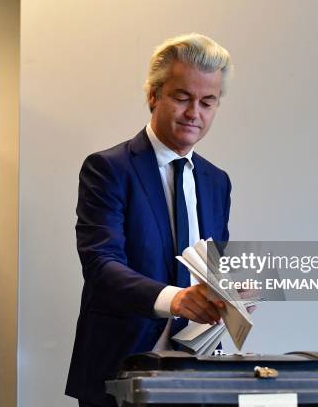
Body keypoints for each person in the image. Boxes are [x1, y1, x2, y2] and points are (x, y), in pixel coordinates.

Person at [66, 33, 233, 407]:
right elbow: (101, 265)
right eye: (182, 97)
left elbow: (212, 265)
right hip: (122, 369)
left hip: (199, 370)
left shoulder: (216, 181)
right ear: (154, 95)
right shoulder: (108, 169)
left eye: (208, 102)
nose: (195, 113)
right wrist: (177, 300)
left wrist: (231, 298)